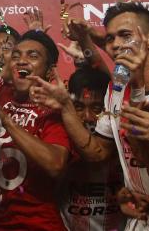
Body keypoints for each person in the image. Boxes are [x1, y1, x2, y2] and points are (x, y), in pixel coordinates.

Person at [33, 2, 149, 230]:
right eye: (110, 38)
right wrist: (66, 106)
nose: (115, 45)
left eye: (124, 35)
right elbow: (98, 153)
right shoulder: (116, 89)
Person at [0, 30, 72, 231]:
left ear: (50, 71)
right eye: (16, 56)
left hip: (37, 224)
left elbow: (56, 164)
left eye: (32, 56)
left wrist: (7, 121)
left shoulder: (55, 110)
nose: (21, 61)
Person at [51, 67, 126, 230]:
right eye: (78, 107)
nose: (87, 117)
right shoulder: (57, 142)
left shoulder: (124, 143)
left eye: (96, 109)